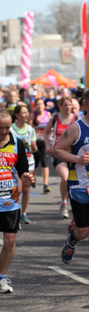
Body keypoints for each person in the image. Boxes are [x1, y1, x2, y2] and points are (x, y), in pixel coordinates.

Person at [53, 88, 89, 287]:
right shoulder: (75, 128)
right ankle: (72, 240)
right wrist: (77, 159)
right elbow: (57, 150)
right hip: (79, 186)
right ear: (85, 106)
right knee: (84, 231)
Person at [0, 109, 33, 293]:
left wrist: (26, 179)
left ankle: (1, 277)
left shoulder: (17, 144)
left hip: (9, 201)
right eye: (0, 128)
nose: (3, 132)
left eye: (6, 128)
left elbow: (23, 171)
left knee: (10, 240)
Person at [44, 96, 76, 219]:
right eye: (65, 105)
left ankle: (71, 202)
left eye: (69, 105)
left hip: (73, 154)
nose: (68, 107)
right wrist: (48, 145)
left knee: (72, 181)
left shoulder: (76, 119)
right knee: (65, 177)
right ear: (60, 106)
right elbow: (46, 132)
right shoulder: (55, 119)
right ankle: (63, 203)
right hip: (58, 153)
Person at [11, 104, 37, 224]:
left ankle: (24, 213)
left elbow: (34, 146)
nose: (26, 115)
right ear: (17, 115)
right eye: (23, 113)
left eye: (27, 112)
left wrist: (33, 146)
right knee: (18, 189)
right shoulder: (10, 129)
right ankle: (13, 210)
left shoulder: (31, 129)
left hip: (29, 161)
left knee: (26, 189)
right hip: (14, 163)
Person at [32, 98, 51, 193]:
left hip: (45, 141)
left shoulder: (48, 114)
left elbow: (51, 127)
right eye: (37, 104)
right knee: (35, 162)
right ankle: (34, 176)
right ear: (35, 106)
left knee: (44, 162)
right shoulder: (33, 115)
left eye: (41, 104)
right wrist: (35, 122)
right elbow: (31, 129)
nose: (39, 106)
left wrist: (50, 133)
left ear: (44, 105)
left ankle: (45, 185)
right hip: (35, 141)